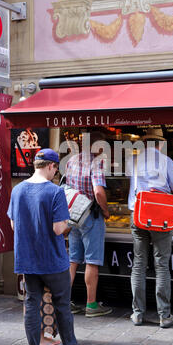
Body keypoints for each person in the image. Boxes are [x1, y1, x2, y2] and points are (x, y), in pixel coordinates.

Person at [7, 148, 95, 345]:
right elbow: (58, 229)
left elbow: (14, 226)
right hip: (53, 260)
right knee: (62, 306)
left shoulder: (17, 191)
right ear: (50, 166)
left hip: (27, 260)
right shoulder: (55, 192)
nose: (55, 172)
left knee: (31, 304)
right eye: (56, 168)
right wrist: (69, 221)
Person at [127, 130, 173, 328]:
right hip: (159, 217)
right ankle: (164, 315)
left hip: (138, 214)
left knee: (139, 264)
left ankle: (137, 314)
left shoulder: (133, 161)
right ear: (160, 144)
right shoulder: (166, 161)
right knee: (161, 264)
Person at [65, 132, 112, 317]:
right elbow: (98, 192)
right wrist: (106, 211)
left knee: (73, 259)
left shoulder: (71, 161)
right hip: (91, 215)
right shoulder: (96, 162)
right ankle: (91, 305)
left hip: (73, 215)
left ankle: (65, 301)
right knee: (92, 260)